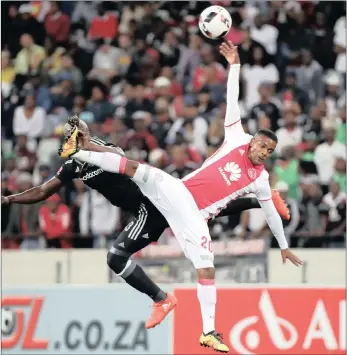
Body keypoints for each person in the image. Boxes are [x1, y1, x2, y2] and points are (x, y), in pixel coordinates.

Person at [59, 41, 302, 353]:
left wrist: (283, 245)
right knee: (138, 169)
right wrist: (235, 65)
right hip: (178, 193)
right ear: (253, 141)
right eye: (261, 146)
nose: (262, 152)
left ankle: (209, 332)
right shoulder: (235, 137)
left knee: (207, 268)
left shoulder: (262, 178)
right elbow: (232, 98)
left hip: (193, 218)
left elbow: (270, 216)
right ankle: (79, 150)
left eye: (269, 152)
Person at [1, 115, 289, 339]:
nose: (73, 142)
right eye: (70, 139)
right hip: (141, 210)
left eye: (77, 137)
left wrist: (89, 143)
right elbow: (42, 191)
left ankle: (161, 299)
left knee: (117, 256)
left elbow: (122, 159)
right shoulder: (73, 165)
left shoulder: (103, 148)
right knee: (202, 210)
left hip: (148, 205)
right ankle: (262, 200)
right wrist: (9, 199)